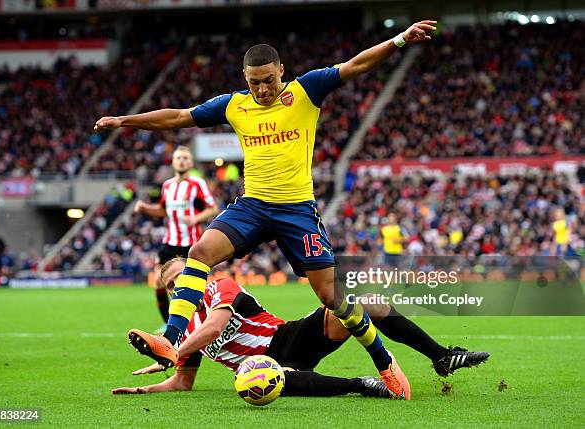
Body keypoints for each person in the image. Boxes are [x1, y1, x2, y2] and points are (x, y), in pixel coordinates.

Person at [95, 20, 438, 399]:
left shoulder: (306, 90)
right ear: (245, 76)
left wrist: (401, 39)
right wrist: (125, 120)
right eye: (254, 82)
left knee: (331, 296)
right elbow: (178, 117)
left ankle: (383, 361)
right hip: (253, 205)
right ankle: (170, 338)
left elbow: (356, 65)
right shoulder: (235, 104)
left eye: (268, 81)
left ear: (281, 72)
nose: (262, 89)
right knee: (200, 253)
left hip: (297, 210)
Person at [116, 257, 489, 397]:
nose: (180, 286)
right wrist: (146, 388)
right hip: (261, 369)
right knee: (276, 379)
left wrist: (172, 349)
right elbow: (183, 382)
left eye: (184, 277)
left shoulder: (221, 287)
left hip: (288, 336)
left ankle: (441, 356)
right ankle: (364, 385)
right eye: (171, 286)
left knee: (365, 301)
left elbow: (216, 328)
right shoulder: (182, 328)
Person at [133, 146, 219, 325]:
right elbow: (163, 211)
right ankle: (168, 324)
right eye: (178, 158)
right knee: (158, 281)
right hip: (170, 242)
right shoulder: (167, 185)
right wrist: (145, 208)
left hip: (192, 244)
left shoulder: (197, 183)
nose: (181, 161)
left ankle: (202, 322)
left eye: (185, 158)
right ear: (173, 162)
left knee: (194, 285)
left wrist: (195, 218)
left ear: (191, 162)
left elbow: (213, 208)